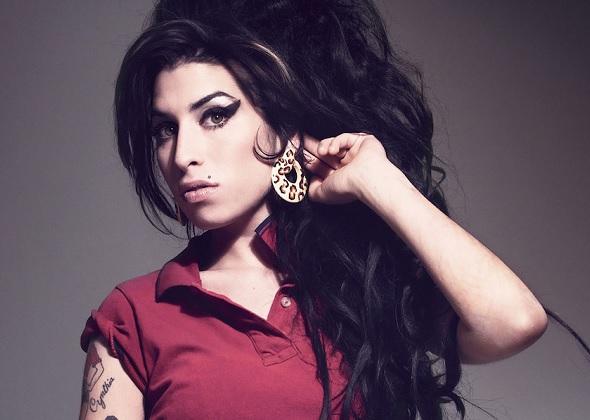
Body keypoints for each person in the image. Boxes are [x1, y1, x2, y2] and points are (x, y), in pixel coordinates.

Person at [78, 1, 556, 419]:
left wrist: (380, 182)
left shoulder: (359, 287)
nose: (183, 155)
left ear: (284, 123)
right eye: (165, 129)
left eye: (216, 115)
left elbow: (513, 322)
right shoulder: (134, 316)